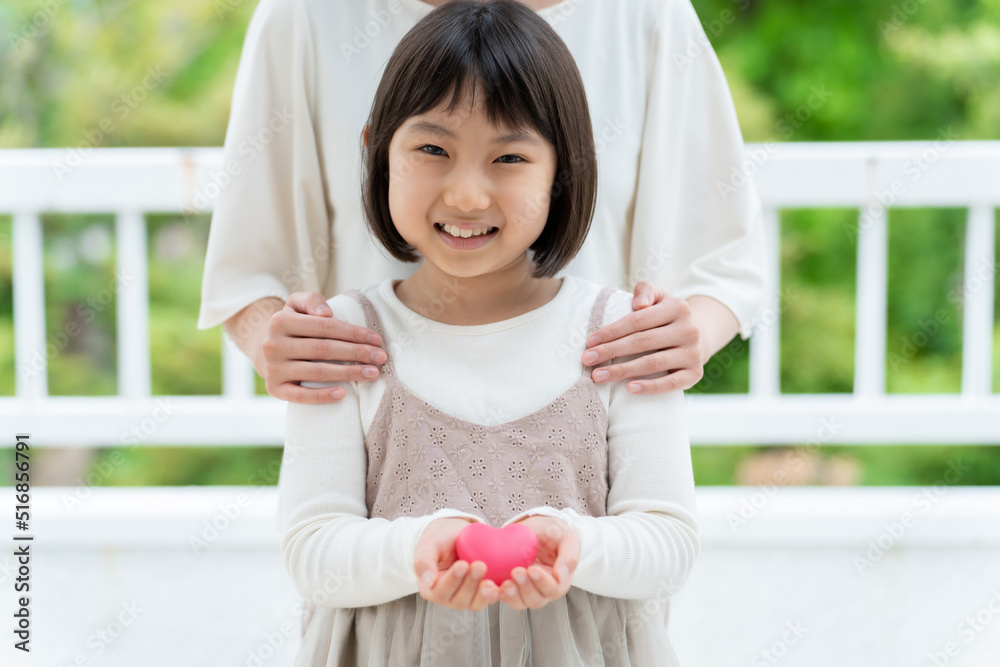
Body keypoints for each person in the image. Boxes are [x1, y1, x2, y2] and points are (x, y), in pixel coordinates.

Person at [278, 3, 699, 664]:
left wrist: (570, 542)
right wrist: (415, 547)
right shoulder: (344, 339)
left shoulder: (623, 336)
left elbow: (668, 543)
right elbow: (311, 550)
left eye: (509, 157)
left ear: (562, 171)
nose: (468, 193)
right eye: (432, 149)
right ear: (376, 151)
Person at [196, 0, 767, 405]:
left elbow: (723, 264)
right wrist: (278, 347)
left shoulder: (647, 14)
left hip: (589, 457)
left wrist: (683, 338)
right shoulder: (304, 14)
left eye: (510, 158)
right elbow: (248, 275)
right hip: (375, 457)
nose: (467, 195)